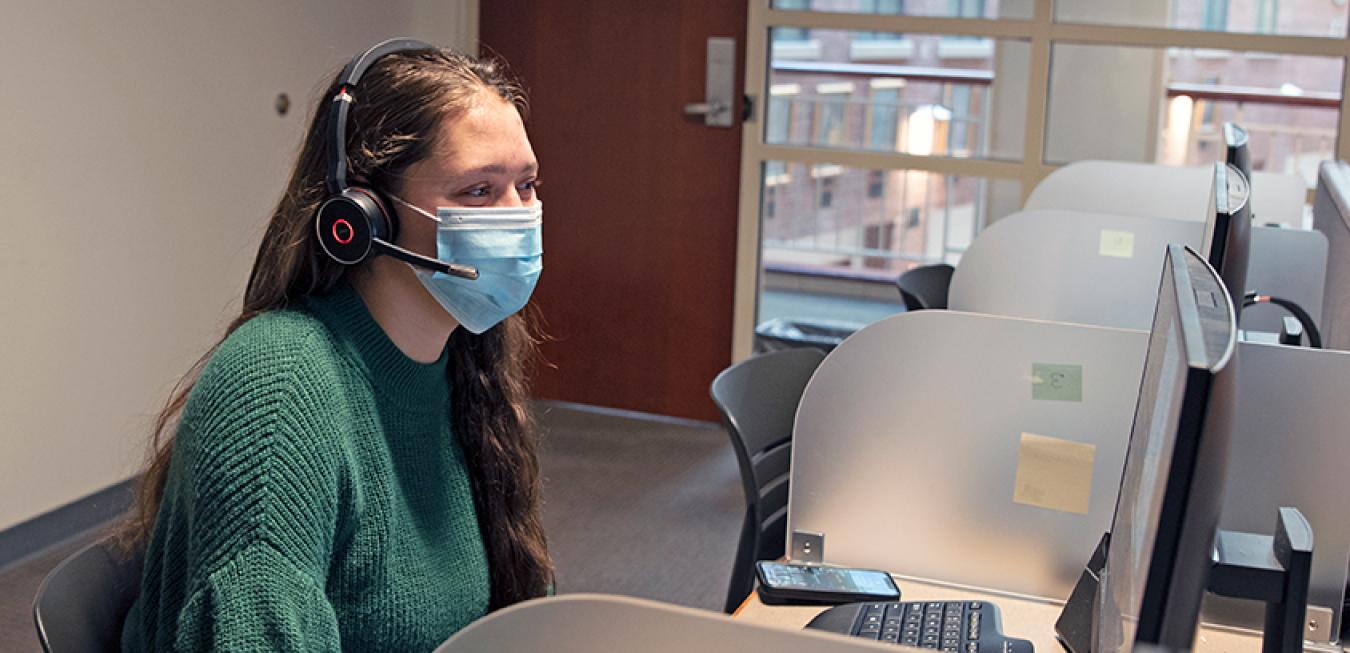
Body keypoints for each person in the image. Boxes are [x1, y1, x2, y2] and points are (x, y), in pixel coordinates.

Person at [118, 39, 553, 651]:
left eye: (527, 186)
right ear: (363, 216)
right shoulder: (278, 389)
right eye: (476, 192)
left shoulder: (465, 359)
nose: (515, 217)